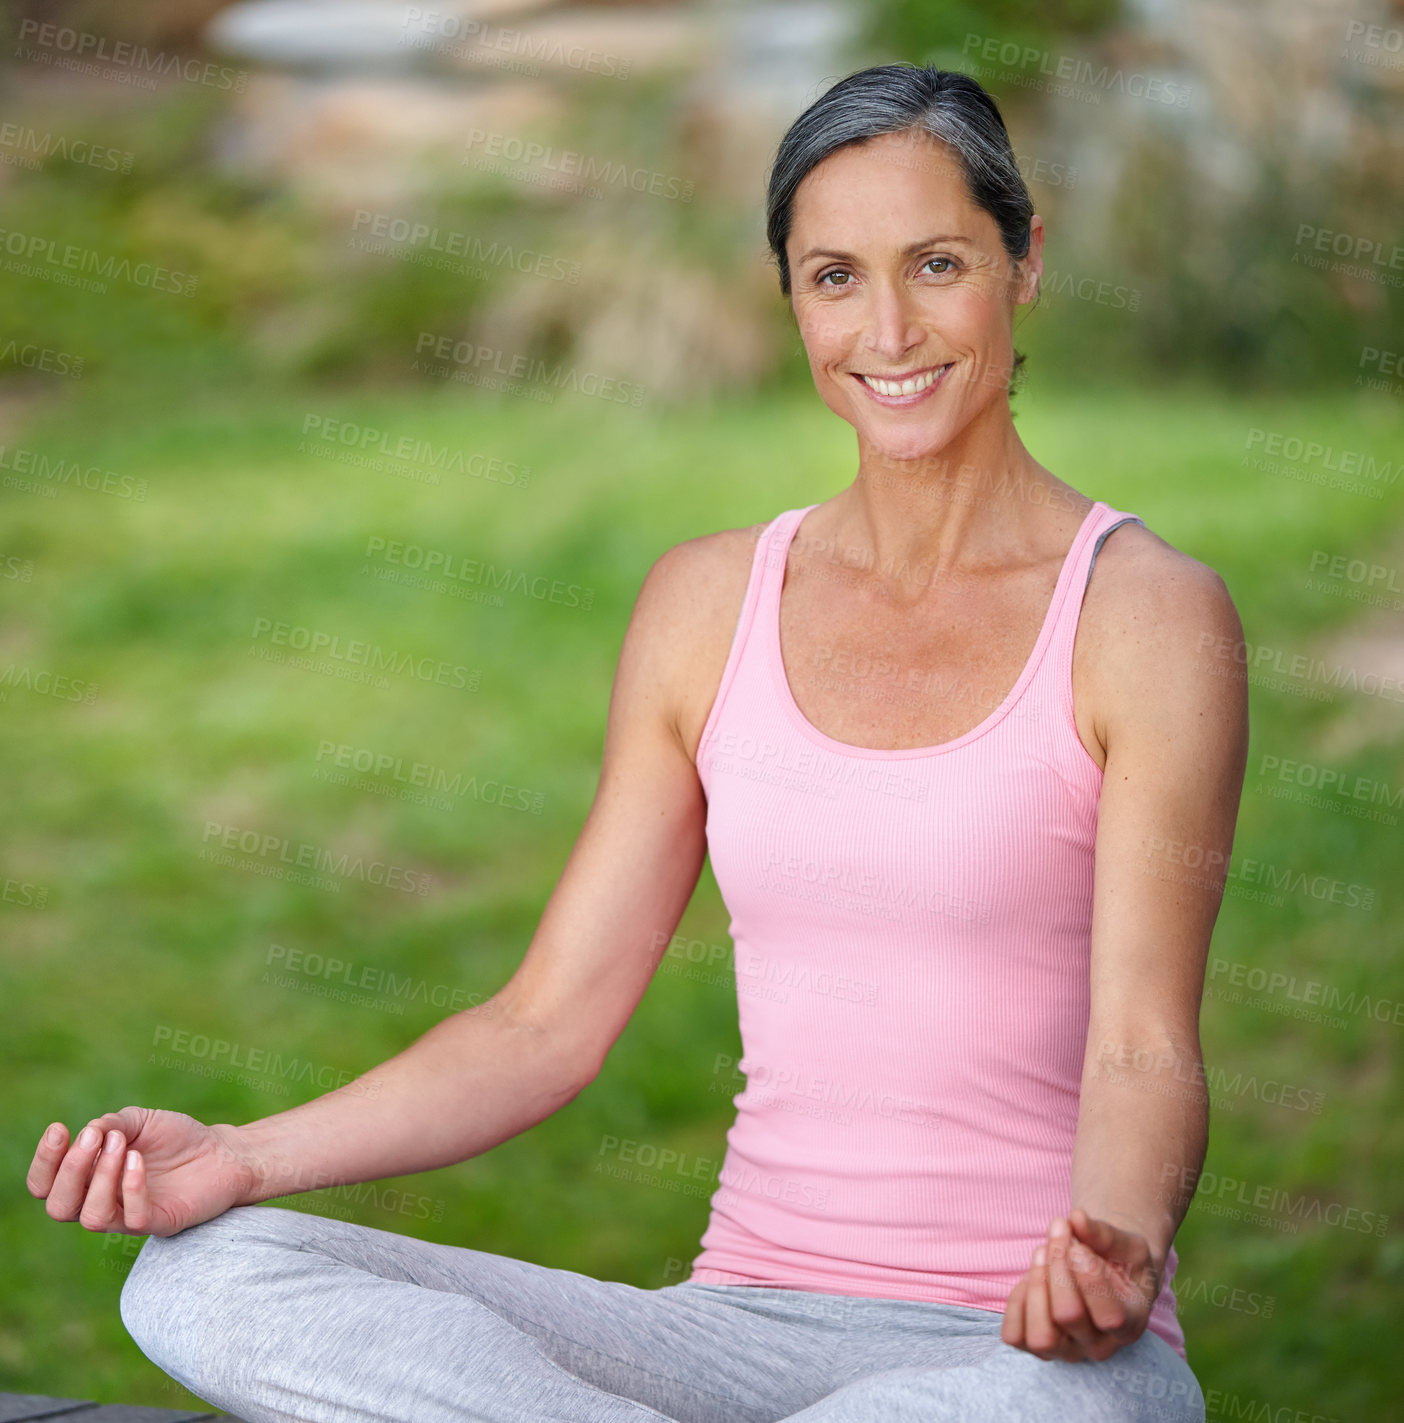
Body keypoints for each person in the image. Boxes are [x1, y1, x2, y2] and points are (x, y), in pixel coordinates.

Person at [26, 63, 1247, 1422]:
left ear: (1026, 260)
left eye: (938, 263)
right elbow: (543, 1025)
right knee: (203, 1275)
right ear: (790, 295)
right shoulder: (706, 603)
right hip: (729, 1338)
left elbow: (1145, 1046)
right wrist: (239, 1161)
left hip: (1026, 1361)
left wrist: (1119, 1250)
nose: (888, 329)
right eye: (834, 276)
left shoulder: (1143, 615)